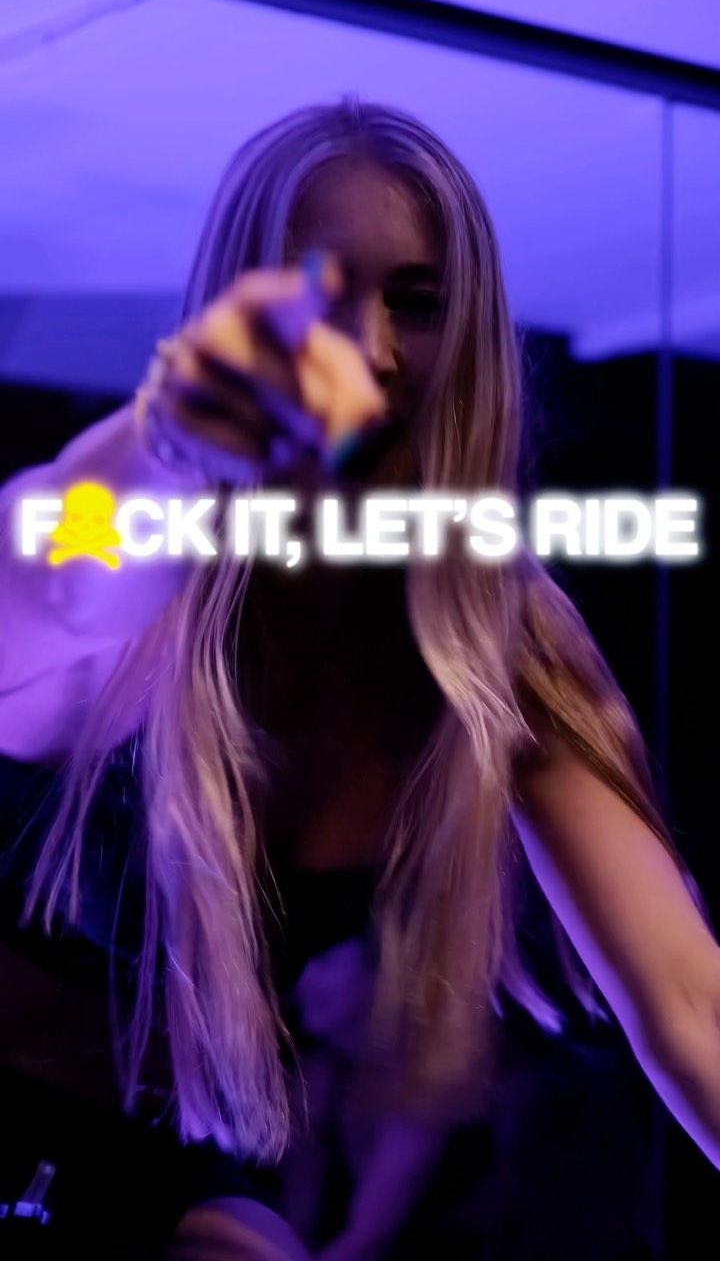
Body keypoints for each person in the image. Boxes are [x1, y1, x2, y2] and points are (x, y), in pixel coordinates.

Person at [1, 95, 719, 1259]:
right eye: (318, 297)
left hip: (159, 1157)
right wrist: (166, 441)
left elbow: (689, 1000)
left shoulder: (492, 628)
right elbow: (47, 578)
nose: (372, 352)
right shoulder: (143, 550)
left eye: (417, 303)